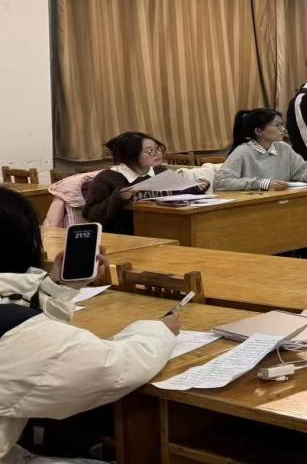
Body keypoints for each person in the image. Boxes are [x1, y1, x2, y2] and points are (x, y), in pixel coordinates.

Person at [0, 189, 179, 463]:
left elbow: (20, 321)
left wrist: (58, 288)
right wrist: (160, 330)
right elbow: (114, 369)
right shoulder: (16, 336)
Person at [82, 132, 210, 235]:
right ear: (131, 155)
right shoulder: (107, 178)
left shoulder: (160, 171)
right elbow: (90, 215)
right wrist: (116, 198)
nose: (158, 153)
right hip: (126, 237)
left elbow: (177, 193)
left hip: (163, 231)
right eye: (149, 151)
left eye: (157, 148)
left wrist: (195, 188)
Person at [214, 109, 307, 192]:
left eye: (282, 124)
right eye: (277, 125)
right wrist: (262, 183)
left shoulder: (283, 147)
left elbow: (301, 169)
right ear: (258, 131)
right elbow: (221, 182)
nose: (283, 129)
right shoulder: (242, 151)